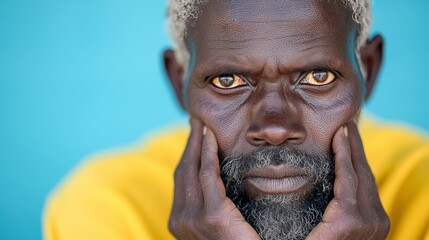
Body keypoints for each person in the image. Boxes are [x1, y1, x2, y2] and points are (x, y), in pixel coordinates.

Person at [43, 0, 429, 239]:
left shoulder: (422, 190)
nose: (276, 128)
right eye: (228, 81)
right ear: (180, 83)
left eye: (317, 77)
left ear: (368, 71)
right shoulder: (106, 204)